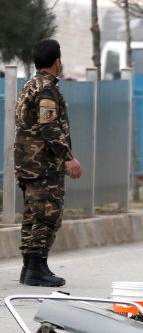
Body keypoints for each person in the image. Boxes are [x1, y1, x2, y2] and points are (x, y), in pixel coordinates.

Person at [13, 39, 84, 287]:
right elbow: (49, 127)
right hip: (43, 164)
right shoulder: (46, 89)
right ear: (57, 61)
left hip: (27, 163)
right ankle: (37, 268)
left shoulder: (30, 85)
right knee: (47, 215)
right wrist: (68, 158)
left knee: (33, 216)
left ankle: (29, 268)